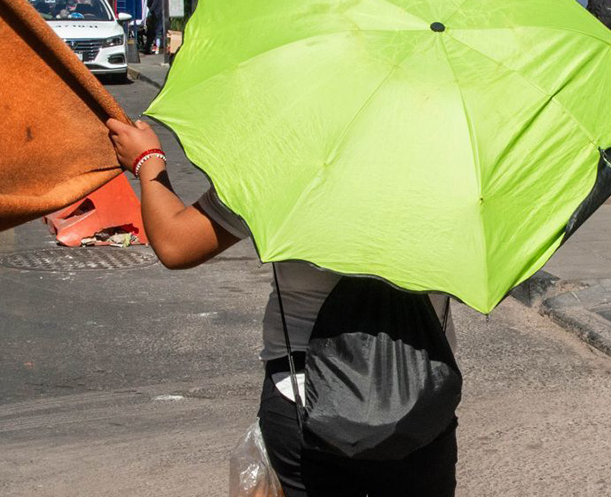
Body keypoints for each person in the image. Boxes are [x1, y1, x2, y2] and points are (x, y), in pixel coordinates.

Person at [104, 117, 458, 497]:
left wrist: (148, 162)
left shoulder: (287, 165)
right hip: (420, 400)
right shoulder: (456, 173)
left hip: (304, 400)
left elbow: (176, 244)